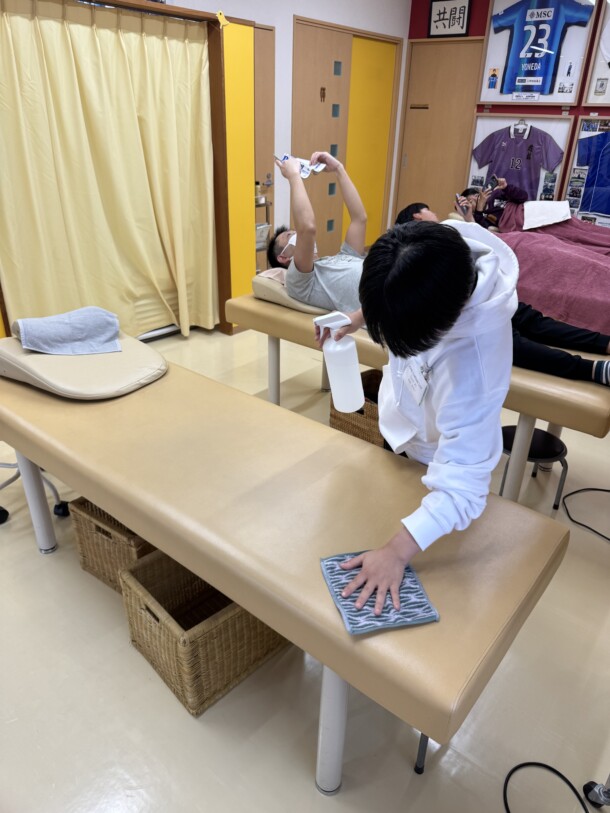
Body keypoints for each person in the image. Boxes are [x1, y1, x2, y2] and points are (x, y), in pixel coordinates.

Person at [320, 219, 519, 614]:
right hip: (402, 427)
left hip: (432, 458)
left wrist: (397, 552)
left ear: (438, 325)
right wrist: (362, 316)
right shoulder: (430, 251)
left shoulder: (473, 367)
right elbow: (399, 288)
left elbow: (463, 488)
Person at [402, 202, 610, 387]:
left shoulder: (452, 230)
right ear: (417, 217)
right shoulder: (418, 251)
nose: (434, 213)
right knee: (511, 341)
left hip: (494, 282)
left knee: (530, 319)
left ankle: (605, 343)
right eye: (429, 210)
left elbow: (486, 244)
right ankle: (592, 369)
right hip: (470, 306)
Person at [267, 152, 366, 315]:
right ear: (283, 257)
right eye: (289, 235)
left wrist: (338, 169)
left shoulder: (341, 257)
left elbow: (359, 219)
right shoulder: (298, 282)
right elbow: (307, 228)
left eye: (294, 231)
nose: (296, 234)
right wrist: (294, 176)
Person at [459, 178, 527, 230]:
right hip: (519, 226)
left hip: (524, 211)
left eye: (476, 196)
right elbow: (483, 231)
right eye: (470, 202)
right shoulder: (480, 217)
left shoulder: (495, 194)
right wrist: (479, 207)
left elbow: (523, 196)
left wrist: (506, 187)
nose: (475, 199)